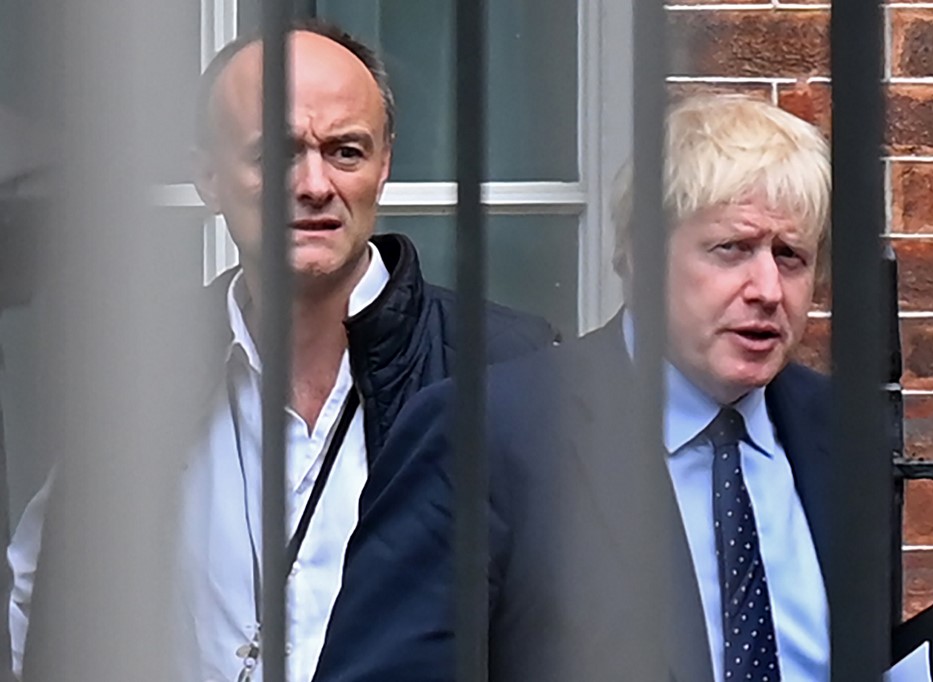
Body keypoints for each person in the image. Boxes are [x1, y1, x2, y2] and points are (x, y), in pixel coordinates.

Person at [8, 19, 556, 682]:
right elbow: (45, 595)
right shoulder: (138, 375)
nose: (315, 185)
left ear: (384, 166)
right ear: (208, 175)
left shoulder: (507, 369)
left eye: (346, 151)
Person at [314, 94, 833, 682]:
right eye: (731, 249)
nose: (766, 287)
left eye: (790, 256)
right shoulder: (488, 435)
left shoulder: (835, 435)